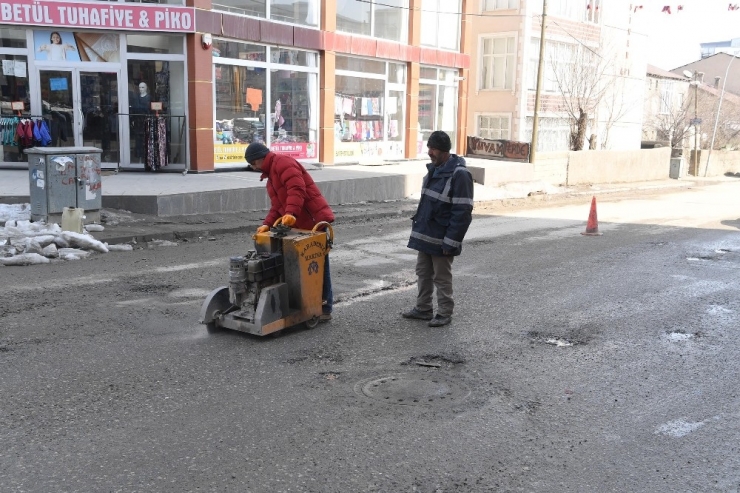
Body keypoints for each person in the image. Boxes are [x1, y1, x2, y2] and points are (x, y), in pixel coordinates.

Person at [244, 142, 335, 321]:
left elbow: (297, 189)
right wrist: (267, 225)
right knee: (298, 266)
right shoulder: (271, 179)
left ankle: (325, 306)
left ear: (261, 159)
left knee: (318, 265)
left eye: (254, 163)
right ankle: (303, 303)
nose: (254, 168)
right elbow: (277, 206)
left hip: (314, 221)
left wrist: (291, 212)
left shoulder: (283, 163)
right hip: (301, 226)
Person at [402, 131, 474, 327]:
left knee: (441, 277)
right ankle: (423, 308)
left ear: (444, 151)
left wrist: (451, 242)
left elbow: (462, 212)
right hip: (426, 235)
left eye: (433, 149)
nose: (429, 152)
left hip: (442, 239)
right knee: (423, 272)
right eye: (429, 148)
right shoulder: (434, 170)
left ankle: (444, 312)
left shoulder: (460, 175)